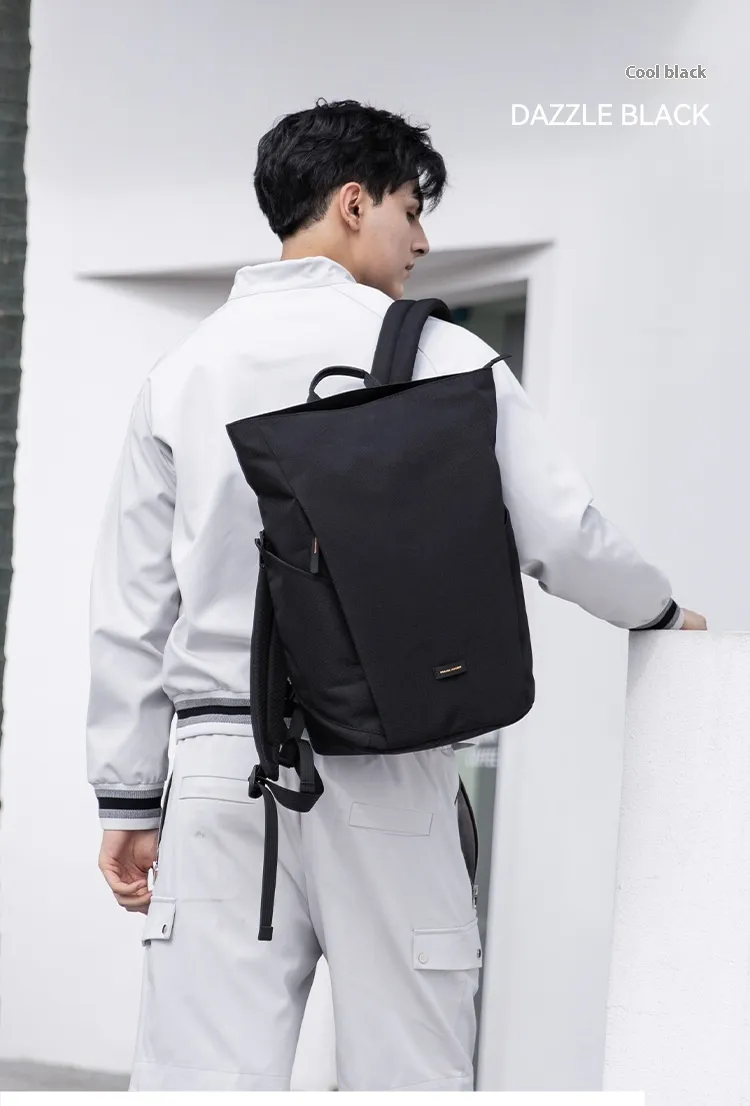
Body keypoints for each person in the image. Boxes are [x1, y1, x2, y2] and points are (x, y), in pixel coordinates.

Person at [87, 98, 708, 1093]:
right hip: (385, 750)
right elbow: (560, 532)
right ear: (352, 203)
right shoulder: (443, 356)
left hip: (217, 770)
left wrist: (126, 791)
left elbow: (133, 605)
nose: (421, 242)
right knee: (408, 1073)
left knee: (199, 1075)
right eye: (411, 211)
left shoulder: (181, 371)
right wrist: (662, 612)